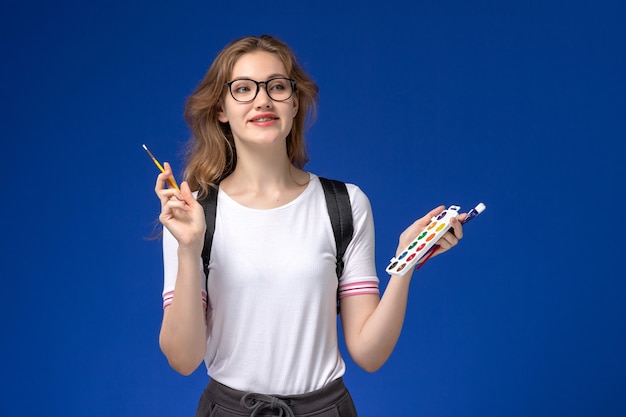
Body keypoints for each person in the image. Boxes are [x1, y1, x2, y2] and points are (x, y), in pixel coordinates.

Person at [152, 34, 466, 417]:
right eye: (244, 89)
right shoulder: (195, 215)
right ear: (221, 108)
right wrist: (188, 247)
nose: (263, 99)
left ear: (295, 102)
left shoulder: (345, 204)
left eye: (277, 86)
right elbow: (183, 359)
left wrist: (406, 261)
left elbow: (369, 354)